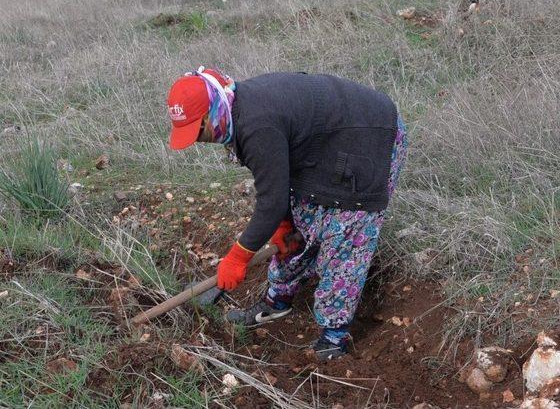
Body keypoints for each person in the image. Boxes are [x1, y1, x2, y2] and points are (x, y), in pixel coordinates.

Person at [166, 66, 408, 360]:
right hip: (326, 144)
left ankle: (335, 335)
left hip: (370, 135)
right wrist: (283, 224)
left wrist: (238, 257)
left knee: (345, 234)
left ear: (211, 112)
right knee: (299, 227)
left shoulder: (256, 124)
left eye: (197, 129)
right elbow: (278, 185)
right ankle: (278, 300)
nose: (197, 140)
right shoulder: (236, 113)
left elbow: (271, 201)